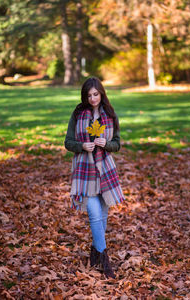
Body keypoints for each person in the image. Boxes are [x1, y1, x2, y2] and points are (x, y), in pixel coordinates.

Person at [64, 77, 125, 279]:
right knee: (95, 215)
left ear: (101, 93)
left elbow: (117, 144)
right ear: (85, 96)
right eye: (89, 95)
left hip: (105, 169)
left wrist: (105, 143)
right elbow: (68, 142)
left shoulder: (109, 114)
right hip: (84, 171)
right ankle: (104, 259)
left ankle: (94, 254)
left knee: (103, 216)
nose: (92, 99)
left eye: (96, 94)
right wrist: (82, 146)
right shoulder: (78, 113)